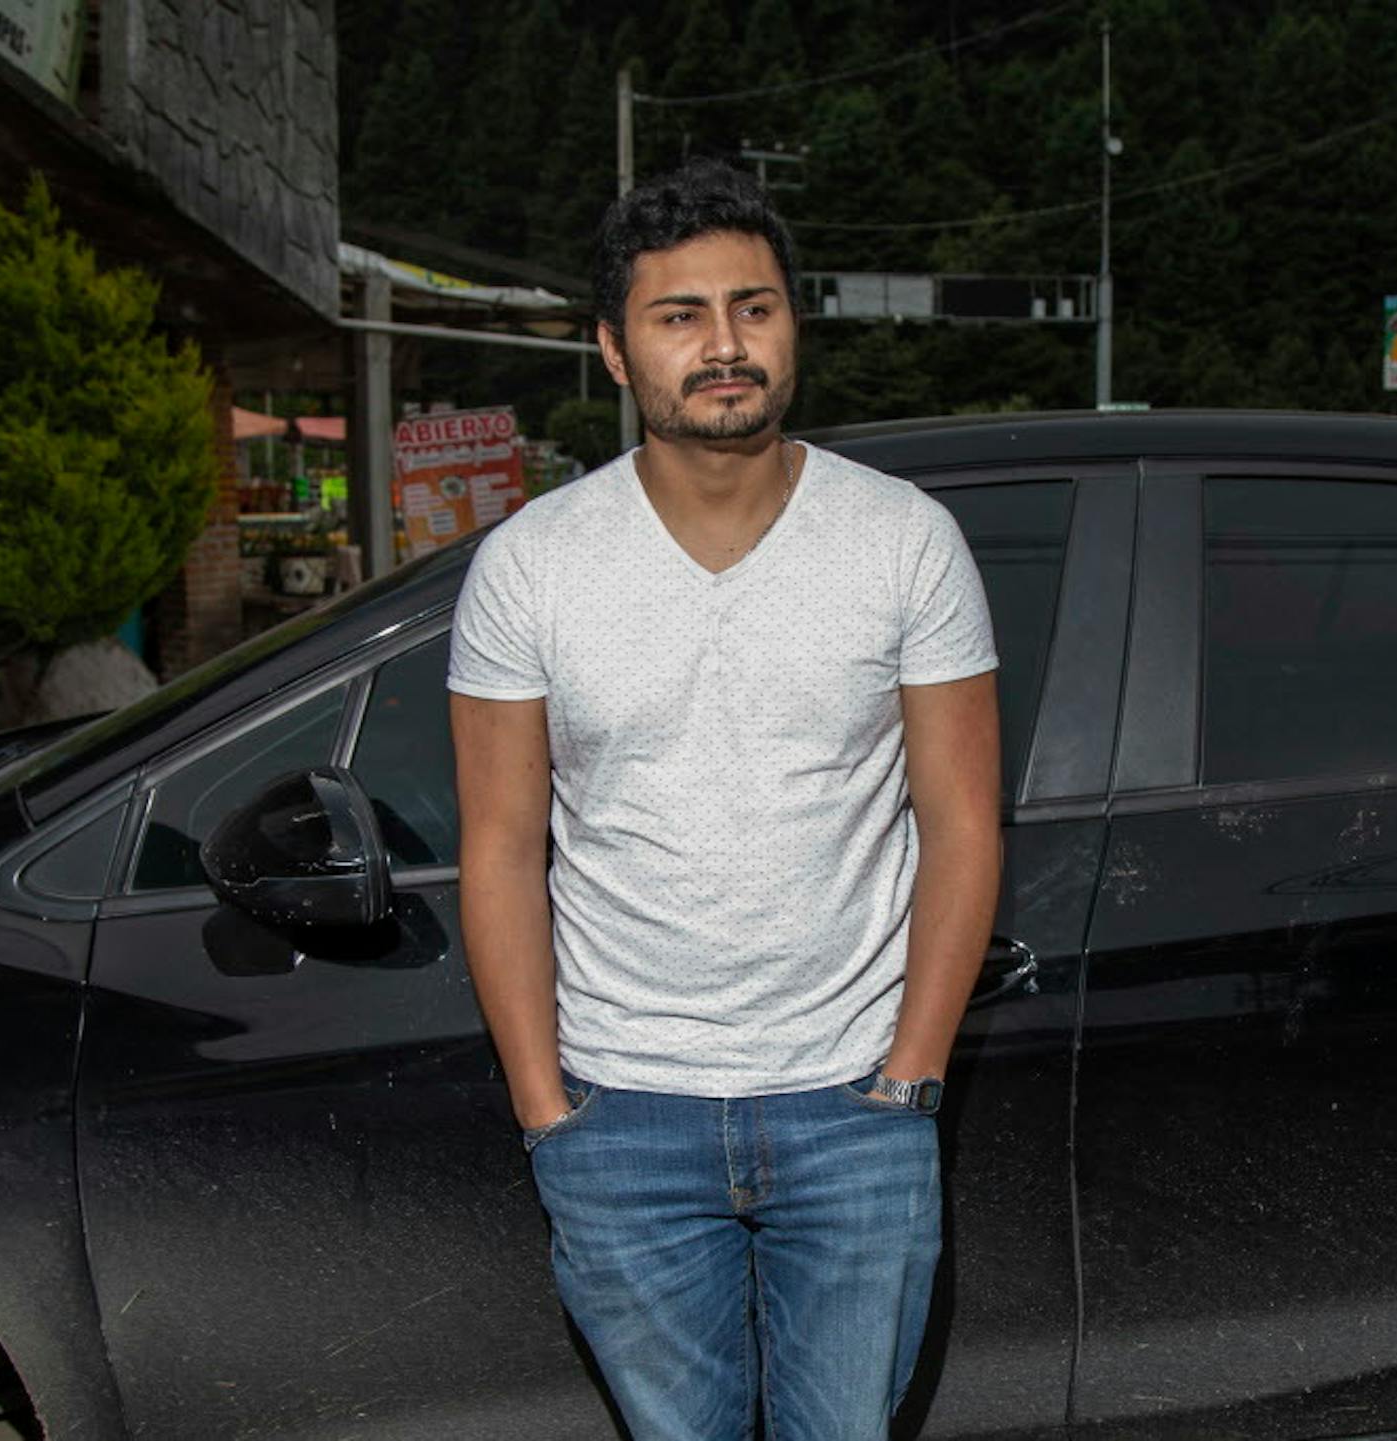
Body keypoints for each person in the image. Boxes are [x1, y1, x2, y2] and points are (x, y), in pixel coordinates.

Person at [448, 157, 1001, 1441]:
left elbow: (964, 825)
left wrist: (910, 1080)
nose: (724, 345)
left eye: (753, 307)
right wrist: (548, 1111)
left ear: (793, 322)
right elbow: (499, 846)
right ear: (613, 346)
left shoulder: (904, 538)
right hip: (620, 1116)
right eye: (679, 315)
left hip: (852, 1104)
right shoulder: (530, 567)